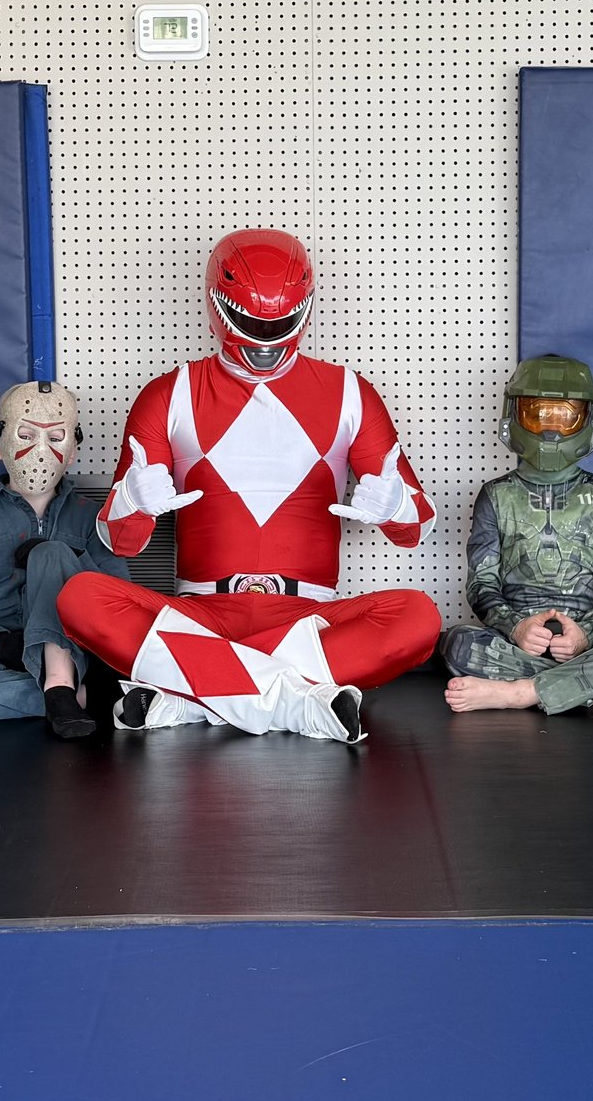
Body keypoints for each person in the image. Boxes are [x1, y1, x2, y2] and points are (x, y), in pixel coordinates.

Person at [56, 229, 441, 744]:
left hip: (306, 618)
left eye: (279, 324)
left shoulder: (350, 393)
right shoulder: (169, 394)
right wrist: (132, 502)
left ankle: (193, 699)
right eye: (252, 323)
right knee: (79, 597)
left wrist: (396, 507)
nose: (265, 341)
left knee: (418, 618)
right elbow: (122, 542)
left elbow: (413, 531)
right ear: (218, 307)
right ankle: (294, 704)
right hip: (200, 615)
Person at [442, 355, 593, 715]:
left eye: (565, 416)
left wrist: (585, 634)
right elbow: (481, 585)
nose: (550, 428)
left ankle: (522, 692)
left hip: (586, 640)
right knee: (457, 643)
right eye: (536, 414)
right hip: (518, 640)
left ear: (587, 418)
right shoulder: (495, 495)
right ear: (515, 414)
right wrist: (517, 628)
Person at [0, 380, 131, 739]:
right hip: (1, 657)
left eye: (55, 438)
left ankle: (60, 682)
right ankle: (85, 698)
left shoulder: (91, 518)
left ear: (71, 451)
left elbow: (118, 597)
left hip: (75, 652)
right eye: (25, 435)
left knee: (50, 553)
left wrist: (68, 562)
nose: (40, 450)